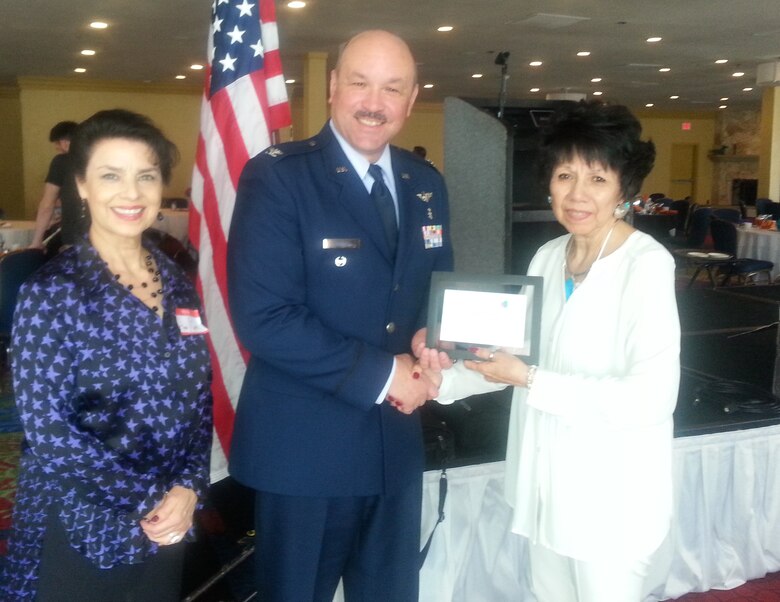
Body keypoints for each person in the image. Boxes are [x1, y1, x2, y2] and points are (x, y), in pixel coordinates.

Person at [416, 100, 680, 602]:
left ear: (625, 188)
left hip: (610, 500)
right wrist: (437, 381)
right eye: (565, 175)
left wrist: (531, 380)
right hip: (546, 487)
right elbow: (511, 359)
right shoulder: (548, 256)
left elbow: (649, 399)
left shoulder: (645, 266)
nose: (578, 195)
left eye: (597, 179)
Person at [227, 29, 453, 601]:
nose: (374, 103)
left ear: (411, 97)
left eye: (392, 88)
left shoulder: (425, 184)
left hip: (394, 446)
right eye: (359, 83)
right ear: (332, 87)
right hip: (305, 453)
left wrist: (435, 334)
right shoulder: (279, 176)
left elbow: (433, 291)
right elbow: (265, 316)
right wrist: (384, 374)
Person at [1, 109, 213, 601]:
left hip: (166, 523)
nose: (131, 193)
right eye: (111, 176)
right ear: (81, 186)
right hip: (79, 523)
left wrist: (188, 488)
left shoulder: (179, 284)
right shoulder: (52, 292)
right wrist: (151, 498)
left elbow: (199, 399)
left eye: (146, 176)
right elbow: (48, 431)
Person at [29, 120, 81, 249]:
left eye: (57, 143)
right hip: (106, 239)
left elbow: (47, 204)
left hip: (74, 237)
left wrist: (37, 241)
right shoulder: (98, 159)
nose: (57, 148)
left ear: (65, 142)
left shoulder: (61, 161)